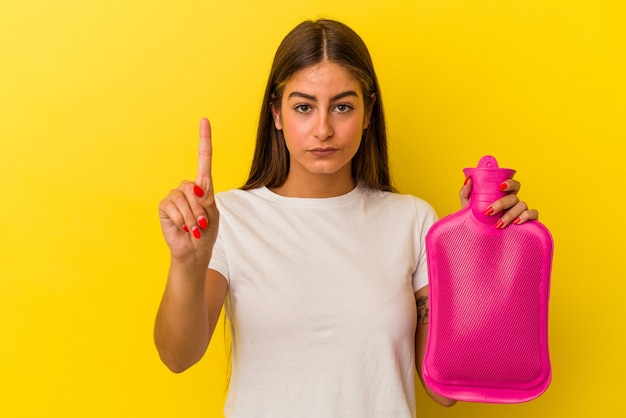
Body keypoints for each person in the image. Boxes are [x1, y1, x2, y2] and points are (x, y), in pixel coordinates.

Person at [154, 19, 538, 417]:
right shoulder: (230, 218)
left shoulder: (413, 221)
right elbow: (177, 356)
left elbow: (445, 389)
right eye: (303, 106)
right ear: (277, 113)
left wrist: (478, 249)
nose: (323, 129)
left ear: (368, 112)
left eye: (342, 107)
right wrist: (186, 262)